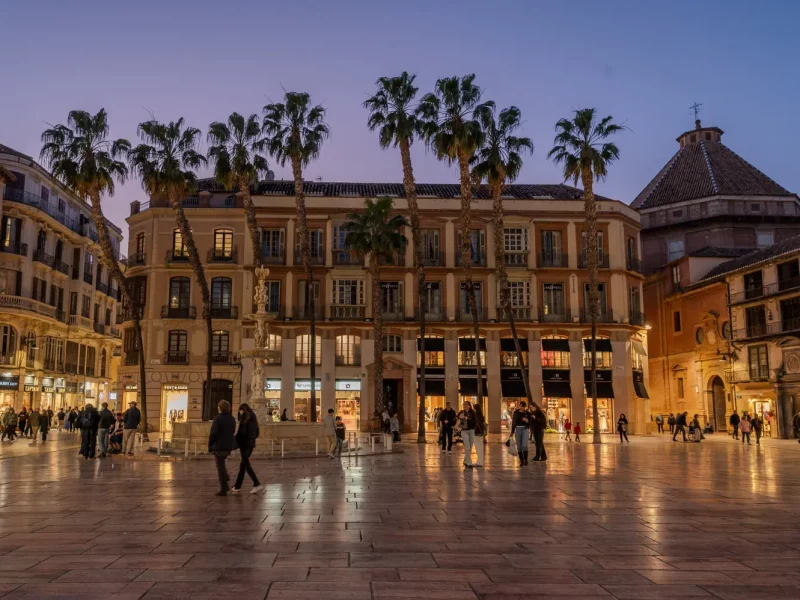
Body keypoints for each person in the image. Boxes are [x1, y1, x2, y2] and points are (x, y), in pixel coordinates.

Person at [232, 403, 263, 494]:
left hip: (244, 444)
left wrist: (235, 439)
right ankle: (237, 486)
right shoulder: (253, 418)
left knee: (247, 465)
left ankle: (257, 484)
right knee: (243, 465)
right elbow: (257, 433)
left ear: (242, 410)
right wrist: (251, 439)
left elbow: (242, 433)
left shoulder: (244, 419)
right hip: (251, 444)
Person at [208, 400, 237, 496]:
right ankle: (226, 478)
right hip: (228, 445)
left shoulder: (218, 419)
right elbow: (233, 431)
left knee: (219, 466)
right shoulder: (232, 419)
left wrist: (210, 445)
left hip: (219, 446)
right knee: (221, 463)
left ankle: (224, 488)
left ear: (220, 408)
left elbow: (213, 433)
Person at [510, 401, 531, 465]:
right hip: (518, 429)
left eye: (521, 406)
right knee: (519, 446)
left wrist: (527, 421)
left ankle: (526, 460)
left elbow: (530, 423)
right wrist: (512, 431)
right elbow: (514, 422)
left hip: (525, 429)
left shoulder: (527, 413)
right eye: (520, 406)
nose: (520, 407)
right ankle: (521, 461)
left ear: (524, 407)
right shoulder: (516, 413)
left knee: (524, 445)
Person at [458, 401, 477, 468]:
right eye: (464, 404)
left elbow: (475, 421)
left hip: (471, 430)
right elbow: (456, 419)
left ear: (469, 405)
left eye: (466, 404)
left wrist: (468, 419)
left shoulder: (473, 412)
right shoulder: (461, 412)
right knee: (467, 446)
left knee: (470, 446)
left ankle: (465, 460)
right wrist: (460, 417)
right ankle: (469, 462)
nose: (465, 406)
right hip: (464, 431)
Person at [472, 403, 486, 468]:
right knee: (480, 447)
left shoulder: (475, 415)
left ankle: (479, 462)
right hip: (480, 433)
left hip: (476, 433)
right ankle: (480, 461)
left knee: (478, 448)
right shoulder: (481, 415)